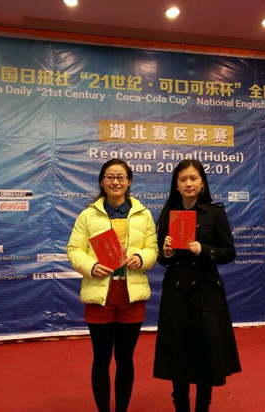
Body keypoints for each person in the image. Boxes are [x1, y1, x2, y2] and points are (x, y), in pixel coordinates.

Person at [67, 158, 158, 412]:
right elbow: (74, 249)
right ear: (101, 182)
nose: (115, 182)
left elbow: (153, 249)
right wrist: (91, 266)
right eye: (109, 177)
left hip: (131, 295)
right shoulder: (88, 215)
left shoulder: (143, 214)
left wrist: (141, 258)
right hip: (100, 296)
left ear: (129, 182)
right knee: (101, 359)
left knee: (125, 359)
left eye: (120, 177)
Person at [153, 159, 241, 412]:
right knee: (178, 353)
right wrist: (167, 252)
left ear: (202, 183)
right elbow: (161, 258)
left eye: (193, 178)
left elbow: (228, 252)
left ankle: (203, 407)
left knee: (206, 353)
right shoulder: (168, 213)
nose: (188, 184)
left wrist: (205, 249)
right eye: (183, 179)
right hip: (177, 292)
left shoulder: (215, 213)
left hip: (207, 291)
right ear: (176, 185)